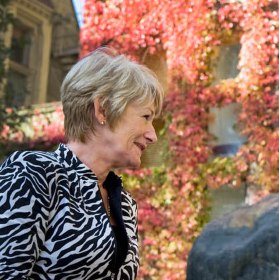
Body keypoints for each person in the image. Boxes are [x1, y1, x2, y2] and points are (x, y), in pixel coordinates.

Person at [0, 47, 164, 279]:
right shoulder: (32, 173)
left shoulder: (125, 203)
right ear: (102, 109)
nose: (152, 135)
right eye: (146, 117)